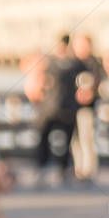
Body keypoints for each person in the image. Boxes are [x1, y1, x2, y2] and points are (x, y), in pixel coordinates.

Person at [28, 35, 80, 187]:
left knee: (65, 141)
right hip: (51, 107)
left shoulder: (72, 64)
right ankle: (43, 170)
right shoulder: (51, 62)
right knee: (45, 139)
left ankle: (62, 171)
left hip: (64, 107)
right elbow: (34, 78)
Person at [69, 34, 103, 184]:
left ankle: (88, 170)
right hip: (71, 107)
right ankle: (78, 169)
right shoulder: (72, 62)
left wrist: (89, 93)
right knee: (74, 140)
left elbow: (97, 83)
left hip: (86, 108)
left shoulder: (93, 63)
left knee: (86, 138)